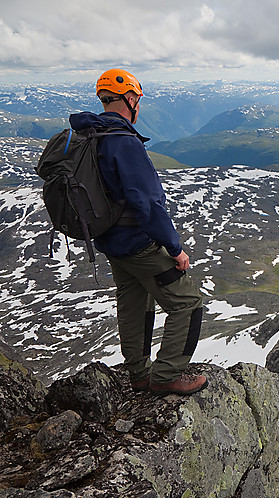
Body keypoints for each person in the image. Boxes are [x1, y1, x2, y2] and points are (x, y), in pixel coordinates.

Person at [69, 68, 207, 396]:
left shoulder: (90, 136)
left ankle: (139, 374)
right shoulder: (123, 142)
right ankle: (166, 376)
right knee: (187, 303)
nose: (138, 105)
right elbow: (148, 203)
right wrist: (174, 249)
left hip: (109, 240)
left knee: (133, 302)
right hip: (136, 242)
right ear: (130, 99)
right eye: (137, 99)